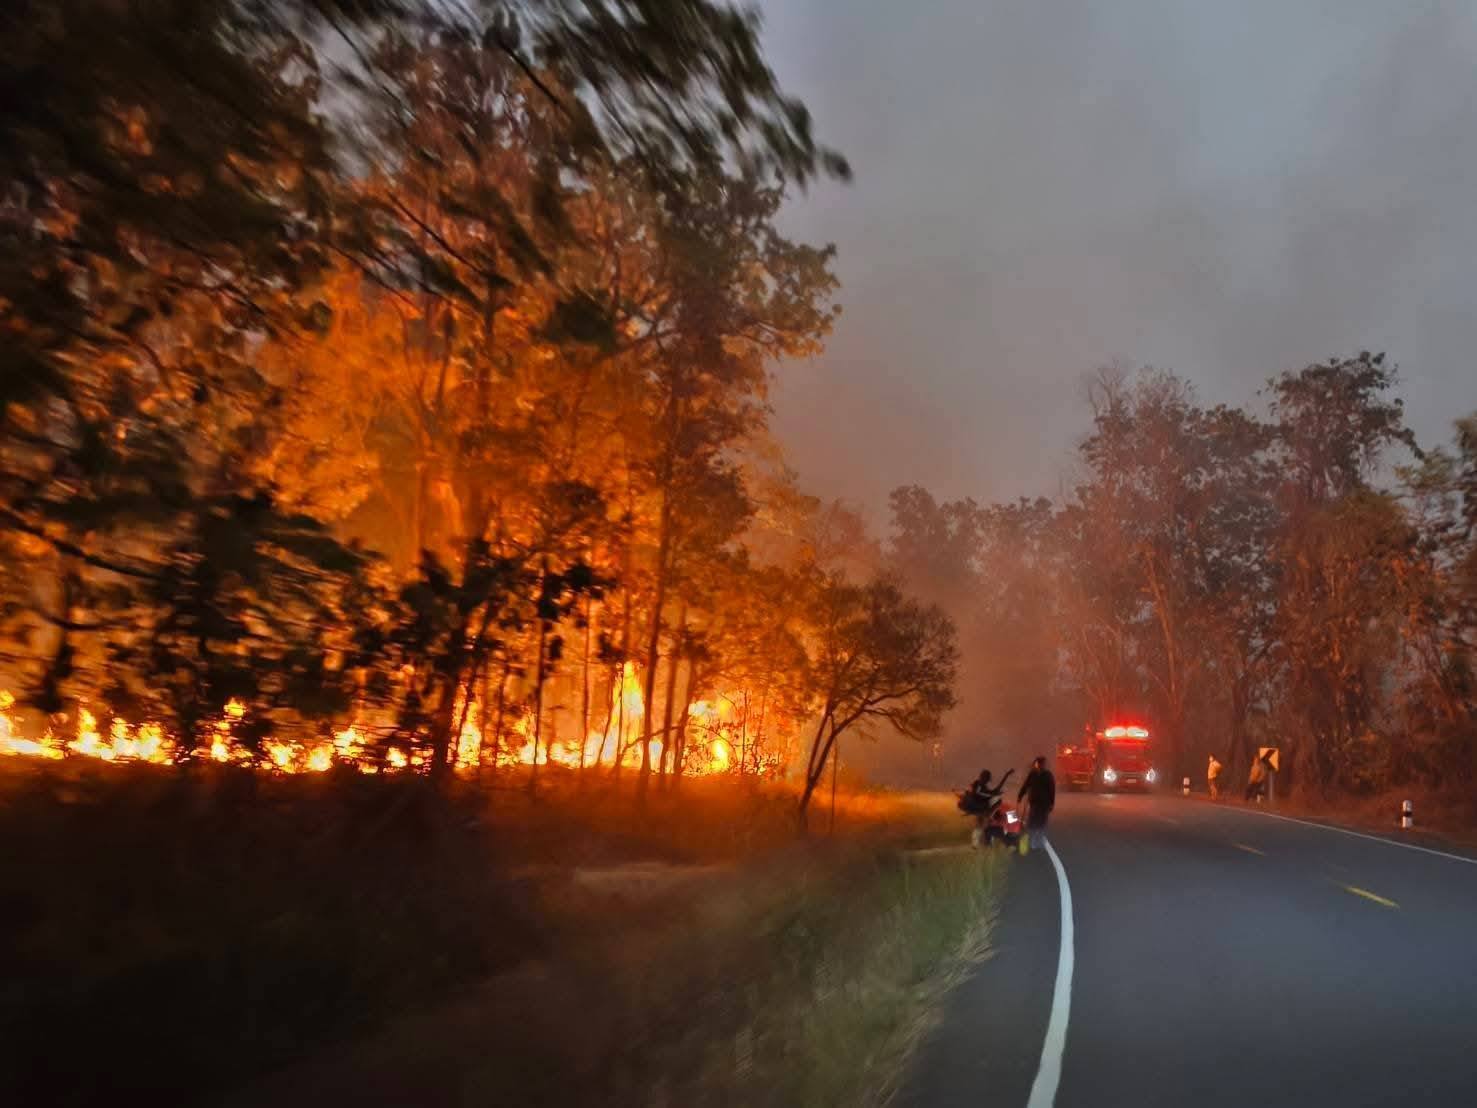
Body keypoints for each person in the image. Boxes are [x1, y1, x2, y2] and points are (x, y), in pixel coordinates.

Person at [1018, 756, 1056, 850]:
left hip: (1044, 803)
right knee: (1032, 821)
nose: (1040, 765)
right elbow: (1026, 785)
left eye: (1041, 763)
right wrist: (1020, 795)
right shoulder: (1033, 774)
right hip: (1034, 803)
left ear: (1044, 764)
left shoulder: (1048, 775)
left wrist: (1051, 803)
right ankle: (1033, 840)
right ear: (1036, 764)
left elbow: (1052, 790)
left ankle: (1039, 840)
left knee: (1042, 822)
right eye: (1038, 763)